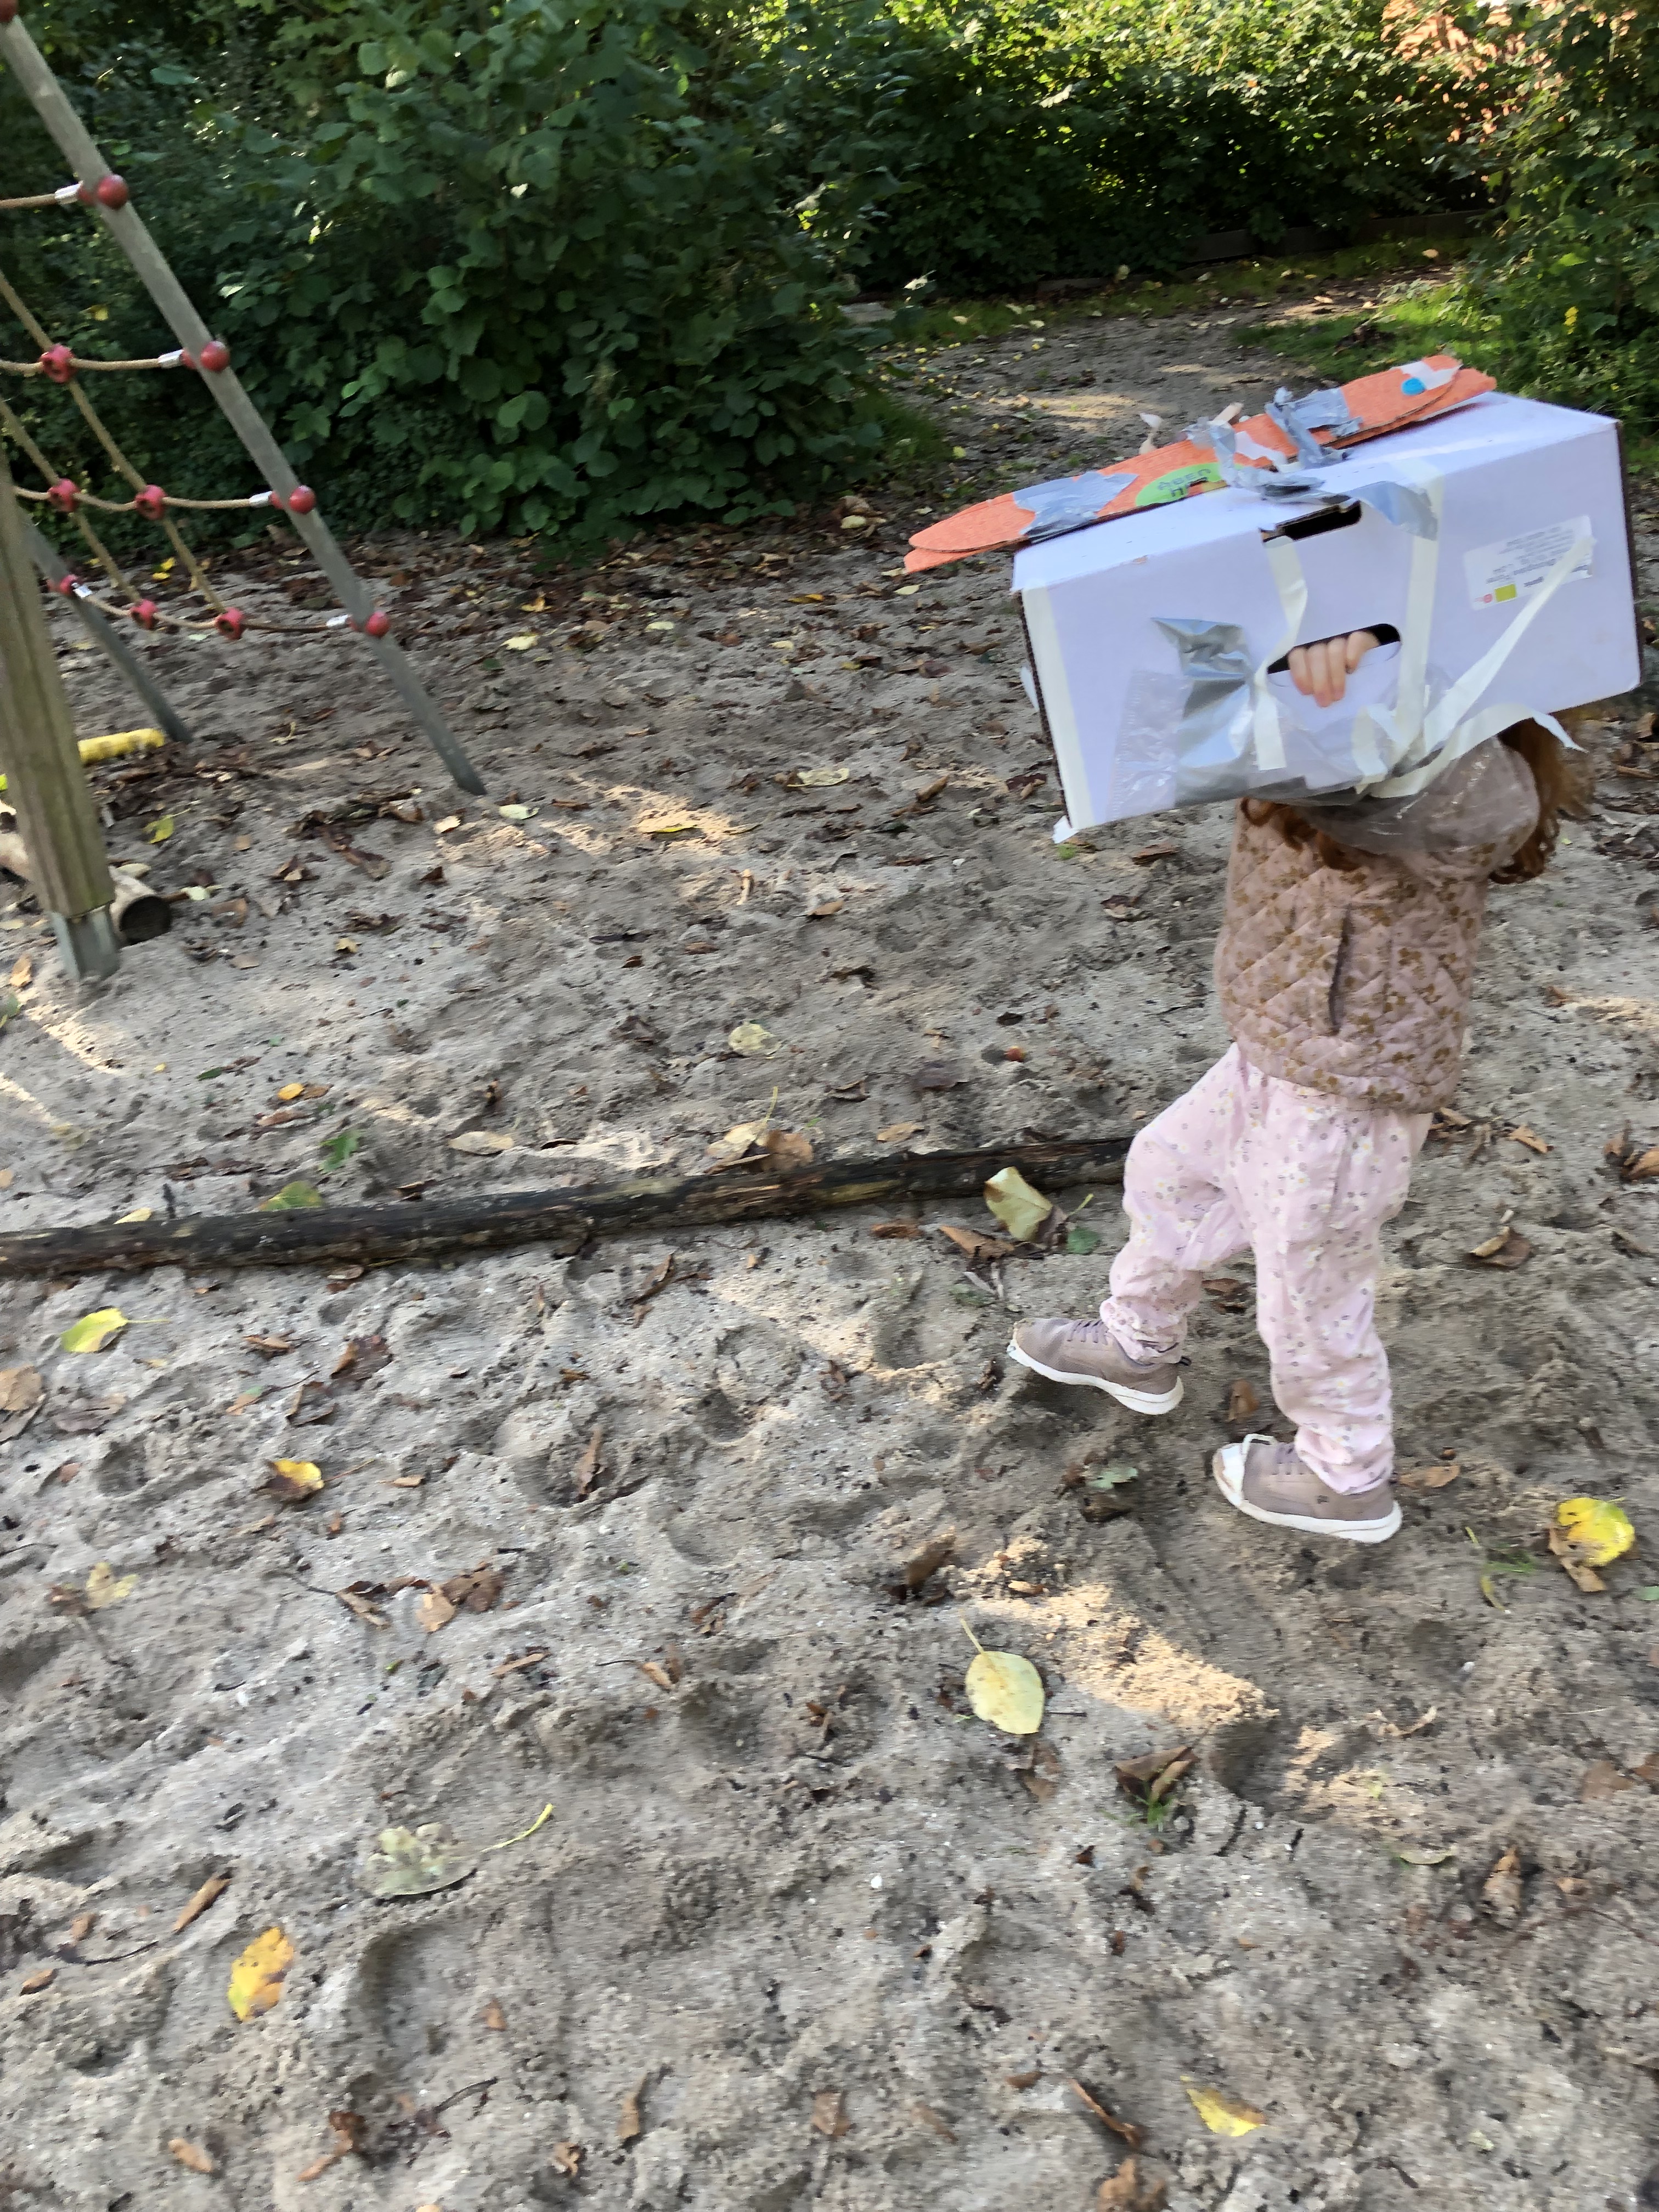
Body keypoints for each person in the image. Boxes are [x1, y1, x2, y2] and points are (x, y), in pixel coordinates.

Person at [1008, 630, 1592, 1543]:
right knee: (1168, 1168)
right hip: (1279, 1044)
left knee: (1309, 1280)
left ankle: (1345, 1473)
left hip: (1351, 1082)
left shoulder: (1464, 752)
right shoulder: (1291, 697)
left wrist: (1370, 687)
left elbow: (1483, 811)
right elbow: (1180, 720)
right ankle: (1138, 1341)